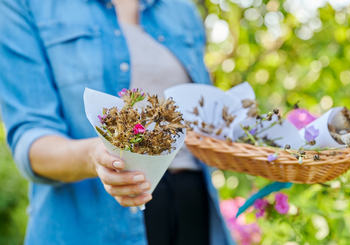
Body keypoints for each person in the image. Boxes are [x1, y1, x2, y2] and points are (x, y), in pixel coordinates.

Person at [0, 0, 235, 244]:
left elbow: (205, 115)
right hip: (95, 222)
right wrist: (95, 155)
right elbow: (31, 140)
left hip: (193, 208)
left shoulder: (181, 10)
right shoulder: (26, 5)